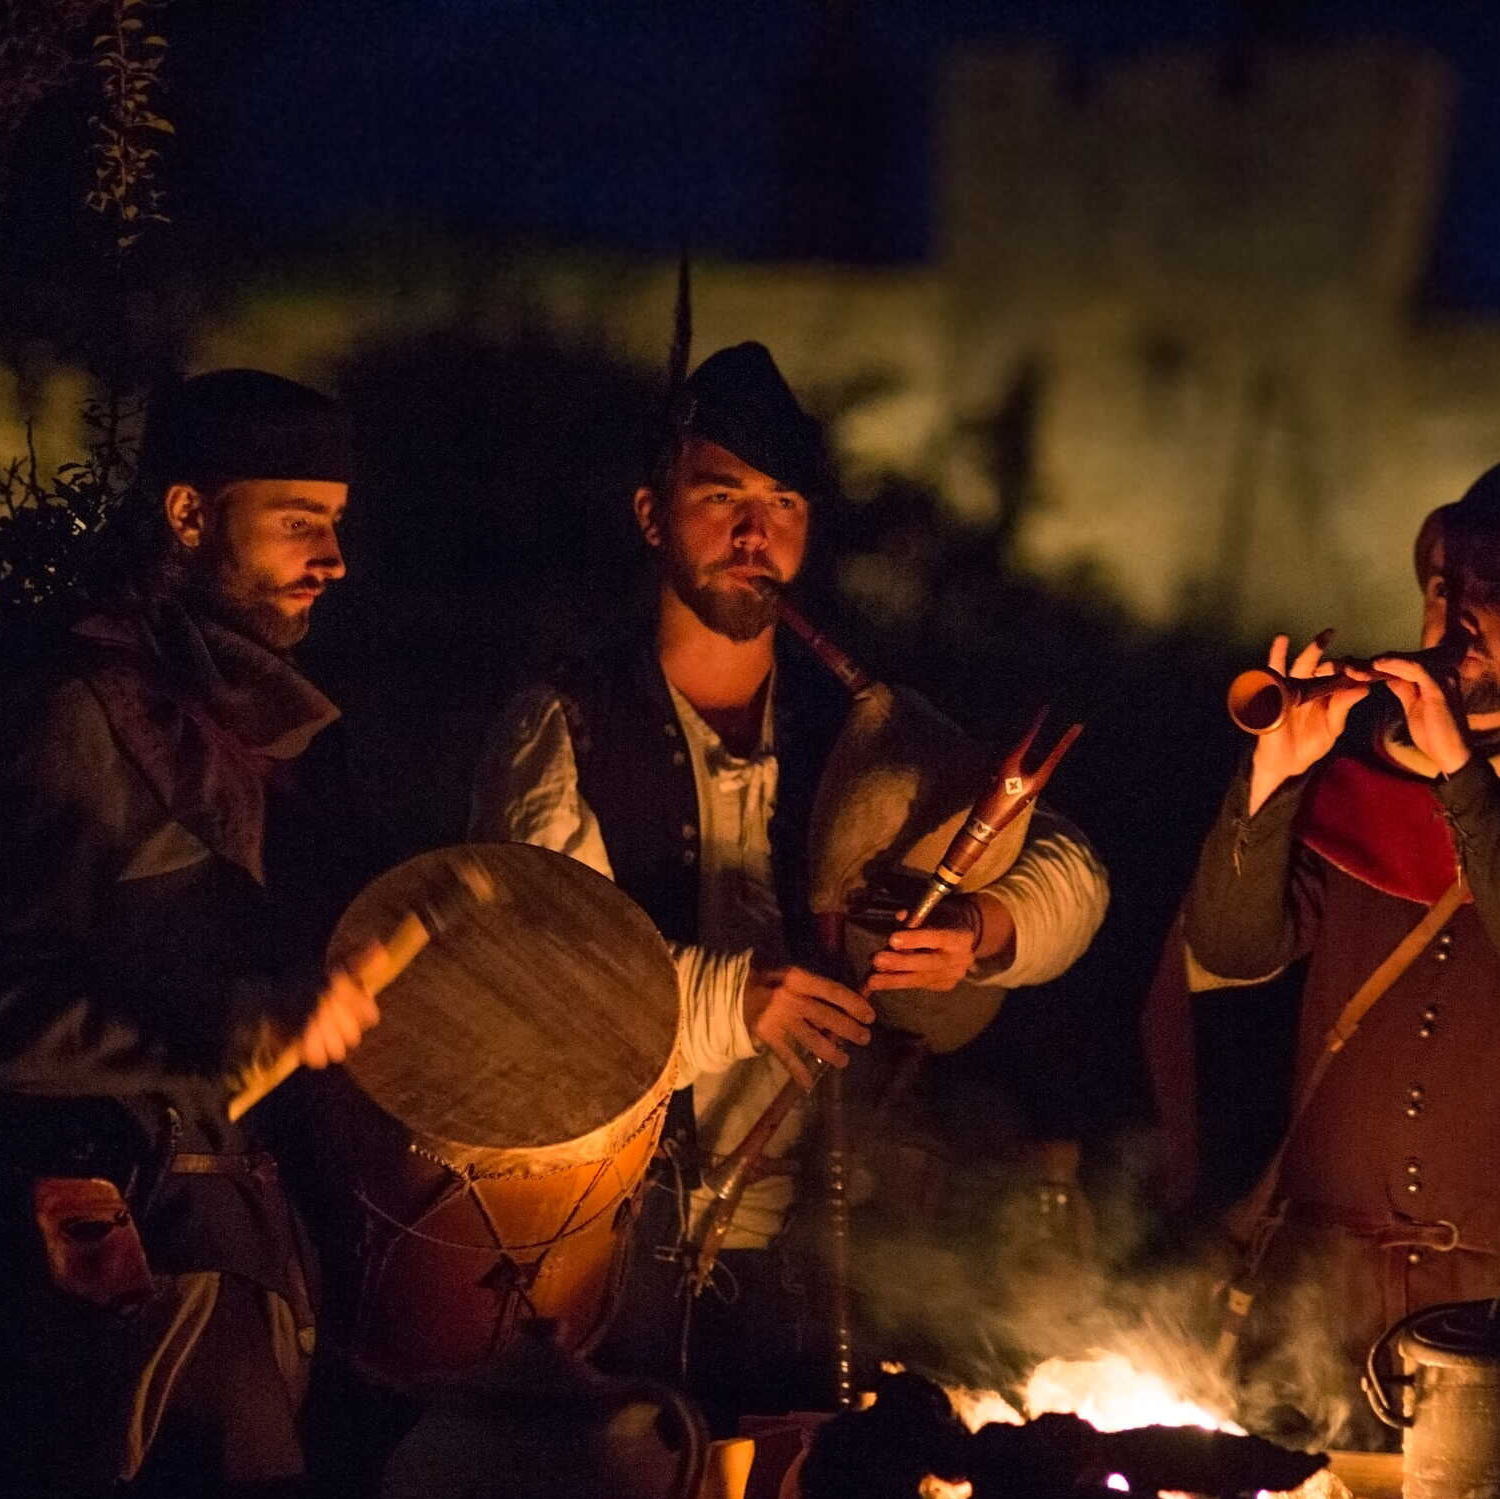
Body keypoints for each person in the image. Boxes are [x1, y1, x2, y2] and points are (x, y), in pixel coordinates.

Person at [0, 369, 388, 1499]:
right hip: (110, 1253)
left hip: (235, 1230)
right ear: (192, 515)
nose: (333, 555)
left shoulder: (242, 722)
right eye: (296, 517)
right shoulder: (76, 716)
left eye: (339, 517)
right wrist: (235, 1024)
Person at [469, 342, 1106, 1429]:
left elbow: (1070, 869)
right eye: (721, 499)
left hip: (839, 1249)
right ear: (651, 514)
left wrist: (981, 928)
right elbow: (538, 989)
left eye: (782, 504)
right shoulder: (564, 724)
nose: (754, 535)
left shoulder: (855, 730)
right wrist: (734, 1002)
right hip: (612, 1253)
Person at [1176, 457, 1500, 1444]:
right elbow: (1232, 953)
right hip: (1317, 1302)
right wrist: (1272, 780)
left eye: (1497, 595)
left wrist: (1458, 769)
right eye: (1447, 585)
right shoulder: (1350, 787)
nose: (1457, 614)